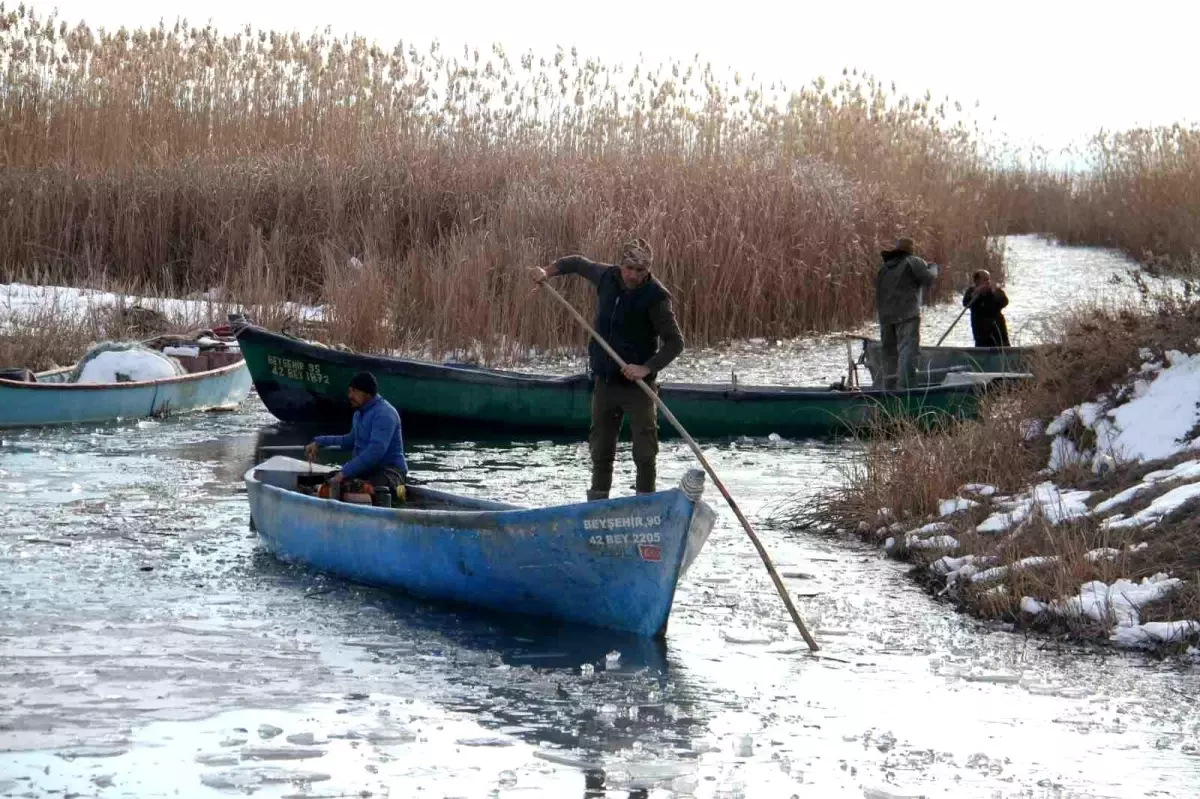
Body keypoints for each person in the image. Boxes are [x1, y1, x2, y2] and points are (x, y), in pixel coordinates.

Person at [533, 238, 684, 500]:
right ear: (621, 265)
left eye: (640, 270)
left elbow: (676, 343)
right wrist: (547, 272)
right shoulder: (607, 276)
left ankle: (645, 504)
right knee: (601, 449)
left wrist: (645, 368)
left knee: (645, 453)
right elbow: (577, 263)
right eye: (629, 268)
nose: (633, 275)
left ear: (648, 270)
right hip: (605, 381)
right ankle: (598, 503)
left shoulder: (657, 297)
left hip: (638, 387)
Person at [304, 371, 408, 504]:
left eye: (354, 392)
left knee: (375, 487)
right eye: (349, 391)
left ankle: (396, 500)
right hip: (369, 470)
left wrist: (344, 473)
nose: (350, 396)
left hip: (392, 472)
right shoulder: (358, 414)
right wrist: (319, 442)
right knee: (328, 478)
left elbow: (375, 452)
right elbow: (349, 441)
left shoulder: (385, 414)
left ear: (368, 393)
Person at [875, 236, 939, 389]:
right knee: (908, 350)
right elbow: (929, 279)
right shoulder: (913, 261)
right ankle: (906, 388)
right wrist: (933, 267)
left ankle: (888, 388)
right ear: (911, 249)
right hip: (907, 315)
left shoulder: (884, 268)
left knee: (889, 352)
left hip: (885, 317)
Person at [962, 269, 1011, 347]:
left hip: (999, 334)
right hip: (981, 335)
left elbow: (1004, 301)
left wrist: (994, 291)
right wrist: (975, 293)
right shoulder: (972, 291)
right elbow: (965, 303)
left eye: (989, 279)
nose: (988, 282)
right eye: (985, 279)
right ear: (977, 281)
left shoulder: (995, 291)